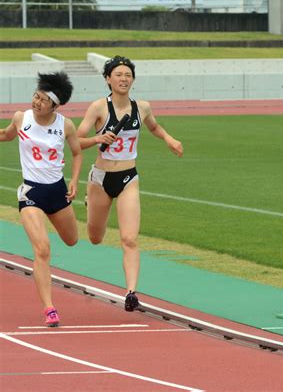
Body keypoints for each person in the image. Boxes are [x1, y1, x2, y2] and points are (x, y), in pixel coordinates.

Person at [77, 55, 183, 312]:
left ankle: (132, 292)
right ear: (108, 79)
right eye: (118, 75)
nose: (124, 79)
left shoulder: (142, 107)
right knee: (94, 237)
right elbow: (76, 141)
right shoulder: (98, 108)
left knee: (129, 239)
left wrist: (169, 139)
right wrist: (98, 138)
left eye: (128, 75)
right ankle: (90, 200)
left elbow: (154, 127)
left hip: (128, 178)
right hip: (101, 179)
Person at [0, 72, 82, 327]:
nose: (37, 102)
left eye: (44, 100)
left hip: (57, 192)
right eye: (36, 96)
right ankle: (49, 308)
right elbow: (7, 135)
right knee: (43, 249)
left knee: (72, 240)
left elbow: (77, 153)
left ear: (55, 105)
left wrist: (75, 180)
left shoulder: (65, 125)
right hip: (32, 193)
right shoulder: (21, 117)